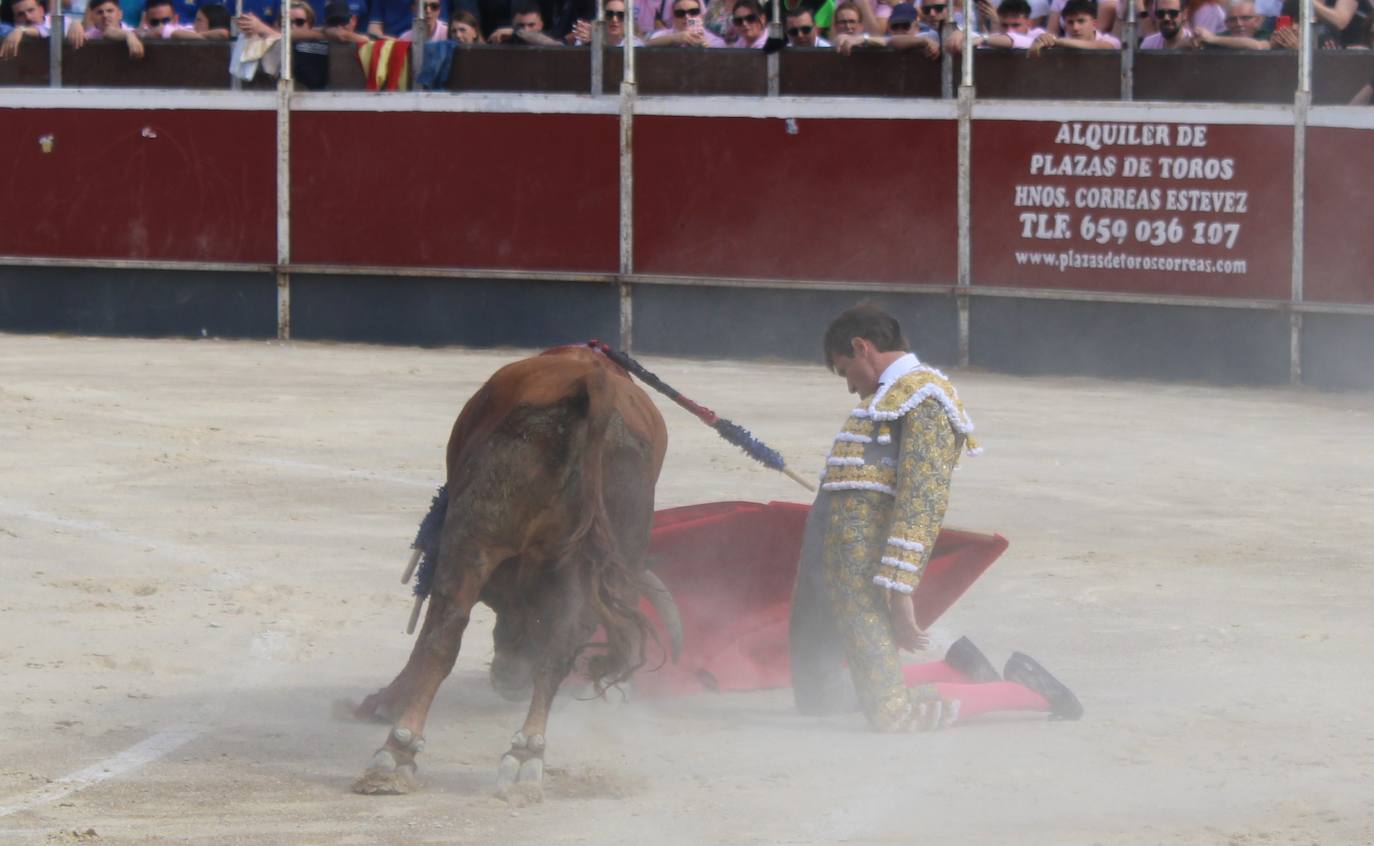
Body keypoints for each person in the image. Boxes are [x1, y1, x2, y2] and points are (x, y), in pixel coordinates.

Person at [788, 304, 1083, 732]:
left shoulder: (925, 399)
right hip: (836, 576)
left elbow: (921, 502)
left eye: (844, 370)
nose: (850, 388)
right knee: (819, 695)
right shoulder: (889, 397)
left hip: (864, 583)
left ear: (861, 347)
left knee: (893, 715)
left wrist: (901, 591)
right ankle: (955, 671)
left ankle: (1029, 690)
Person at [0, 0, 86, 59]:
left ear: (41, 10)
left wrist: (76, 23)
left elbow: (51, 31)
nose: (27, 17)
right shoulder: (9, 30)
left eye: (31, 10)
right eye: (20, 14)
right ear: (15, 19)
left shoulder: (62, 21)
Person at [1030, 0, 1119, 53]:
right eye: (1070, 22)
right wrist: (1041, 41)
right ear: (1064, 26)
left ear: (1094, 24)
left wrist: (1056, 42)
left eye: (1081, 21)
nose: (1075, 27)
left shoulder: (1111, 41)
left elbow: (1101, 47)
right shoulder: (1054, 43)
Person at [1194, 0, 1273, 47]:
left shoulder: (1266, 35)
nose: (1238, 23)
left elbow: (1258, 46)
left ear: (1257, 20)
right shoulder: (1223, 36)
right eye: (1232, 19)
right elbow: (1191, 43)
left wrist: (1214, 39)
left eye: (1245, 18)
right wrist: (1192, 40)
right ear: (1226, 24)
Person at [647, 0, 726, 46]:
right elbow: (645, 45)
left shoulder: (714, 39)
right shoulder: (662, 35)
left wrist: (705, 45)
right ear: (673, 16)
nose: (687, 17)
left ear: (701, 15)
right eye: (680, 13)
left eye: (693, 12)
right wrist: (673, 39)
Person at [570, 0, 640, 44]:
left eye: (620, 15)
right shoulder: (587, 41)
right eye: (609, 14)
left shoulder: (635, 45)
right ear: (603, 17)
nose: (614, 19)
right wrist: (589, 44)